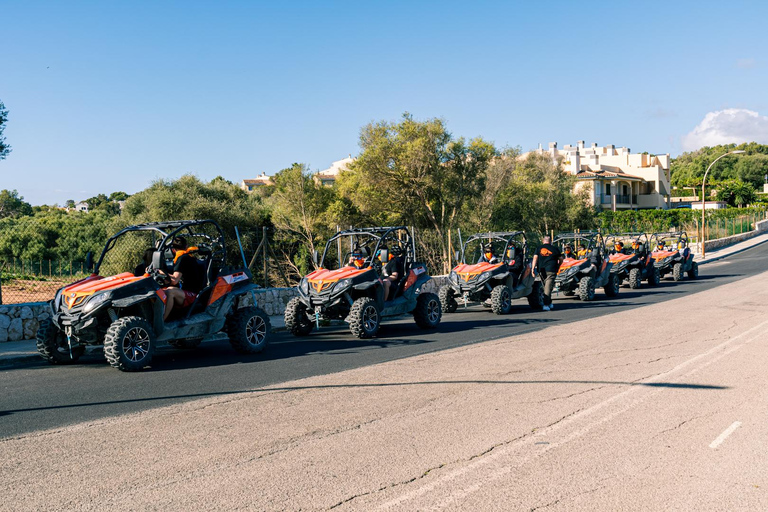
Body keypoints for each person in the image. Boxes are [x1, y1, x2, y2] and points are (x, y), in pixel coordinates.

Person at [158, 236, 206, 321]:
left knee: (170, 292)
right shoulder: (188, 256)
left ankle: (161, 322)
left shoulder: (182, 258)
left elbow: (174, 280)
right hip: (187, 292)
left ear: (173, 250)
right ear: (186, 246)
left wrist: (160, 272)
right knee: (161, 291)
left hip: (193, 295)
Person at [531, 235, 563, 311]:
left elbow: (535, 258)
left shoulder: (538, 248)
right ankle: (546, 304)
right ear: (550, 241)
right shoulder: (555, 249)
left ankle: (548, 303)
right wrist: (558, 266)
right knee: (548, 287)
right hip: (551, 269)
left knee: (547, 287)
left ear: (543, 241)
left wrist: (533, 268)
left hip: (541, 270)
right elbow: (561, 259)